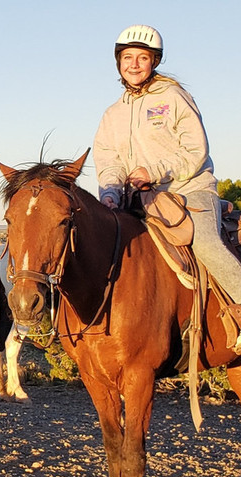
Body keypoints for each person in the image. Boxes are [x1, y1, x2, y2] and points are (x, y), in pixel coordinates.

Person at [94, 24, 241, 346]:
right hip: (137, 198)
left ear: (154, 62)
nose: (134, 64)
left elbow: (195, 150)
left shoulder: (174, 97)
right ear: (118, 61)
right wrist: (109, 192)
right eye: (127, 57)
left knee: (206, 245)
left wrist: (155, 170)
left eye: (142, 58)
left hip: (189, 190)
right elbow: (109, 160)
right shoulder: (113, 114)